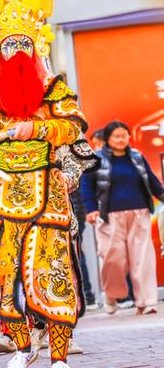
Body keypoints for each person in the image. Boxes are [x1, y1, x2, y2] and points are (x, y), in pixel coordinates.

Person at [0, 0, 87, 368]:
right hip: (3, 193)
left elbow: (74, 125)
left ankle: (59, 355)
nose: (16, 52)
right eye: (9, 45)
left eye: (23, 45)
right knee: (4, 270)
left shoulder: (53, 88)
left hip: (47, 191)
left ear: (34, 48)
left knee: (52, 267)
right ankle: (22, 347)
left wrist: (38, 127)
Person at [82, 121, 162, 315]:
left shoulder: (137, 157)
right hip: (109, 216)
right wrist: (90, 209)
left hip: (139, 213)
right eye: (117, 136)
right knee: (114, 259)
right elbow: (86, 186)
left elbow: (152, 182)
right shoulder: (96, 159)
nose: (121, 140)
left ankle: (146, 302)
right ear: (108, 139)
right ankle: (112, 295)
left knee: (142, 258)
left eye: (124, 136)